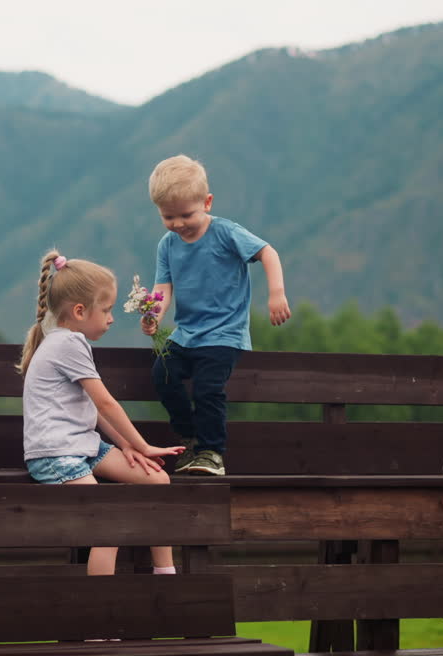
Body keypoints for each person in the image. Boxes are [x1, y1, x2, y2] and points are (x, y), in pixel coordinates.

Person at [17, 249, 186, 576]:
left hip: (82, 445)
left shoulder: (67, 341)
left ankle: (165, 574)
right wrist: (143, 445)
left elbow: (93, 410)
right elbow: (107, 403)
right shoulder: (68, 344)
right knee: (108, 526)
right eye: (106, 310)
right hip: (55, 453)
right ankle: (101, 621)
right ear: (79, 311)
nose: (111, 318)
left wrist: (124, 445)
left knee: (157, 479)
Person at [141, 155, 291, 476]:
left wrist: (276, 293)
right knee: (162, 374)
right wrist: (153, 313)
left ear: (206, 202)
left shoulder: (225, 233)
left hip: (224, 333)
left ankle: (212, 453)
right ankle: (191, 436)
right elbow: (162, 288)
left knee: (208, 388)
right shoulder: (167, 245)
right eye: (168, 216)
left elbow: (268, 252)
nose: (178, 223)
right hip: (185, 334)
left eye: (186, 214)